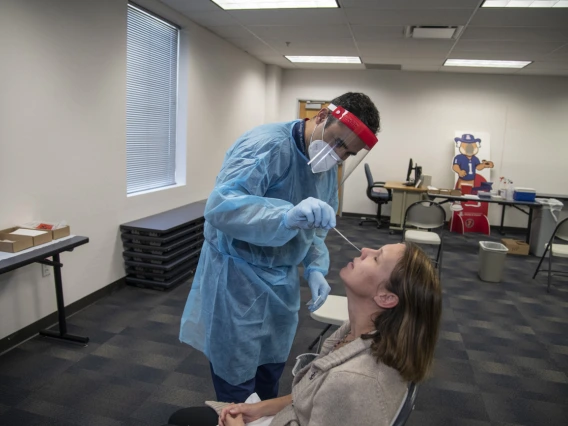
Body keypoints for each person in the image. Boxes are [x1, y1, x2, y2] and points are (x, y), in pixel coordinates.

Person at [179, 93, 381, 404]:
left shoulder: (324, 168)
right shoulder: (266, 146)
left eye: (347, 153)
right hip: (237, 282)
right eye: (337, 142)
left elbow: (315, 231)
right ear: (322, 115)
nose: (337, 155)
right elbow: (221, 208)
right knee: (237, 384)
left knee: (269, 372)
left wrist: (315, 268)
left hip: (281, 283)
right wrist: (284, 216)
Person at [166, 242, 442, 426]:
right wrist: (259, 409)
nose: (365, 249)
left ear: (385, 297)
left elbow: (331, 392)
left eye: (376, 257)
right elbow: (312, 394)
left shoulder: (353, 382)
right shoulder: (356, 333)